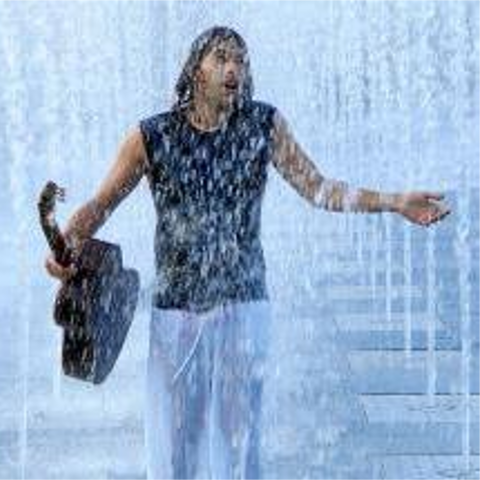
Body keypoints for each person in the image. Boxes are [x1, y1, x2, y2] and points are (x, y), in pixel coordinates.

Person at [45, 26, 451, 479]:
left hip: (244, 307)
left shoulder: (264, 125)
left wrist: (395, 201)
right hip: (175, 312)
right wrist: (68, 242)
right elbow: (101, 204)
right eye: (221, 58)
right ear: (196, 70)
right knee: (175, 448)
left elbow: (319, 188)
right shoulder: (151, 135)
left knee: (238, 444)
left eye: (240, 60)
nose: (233, 69)